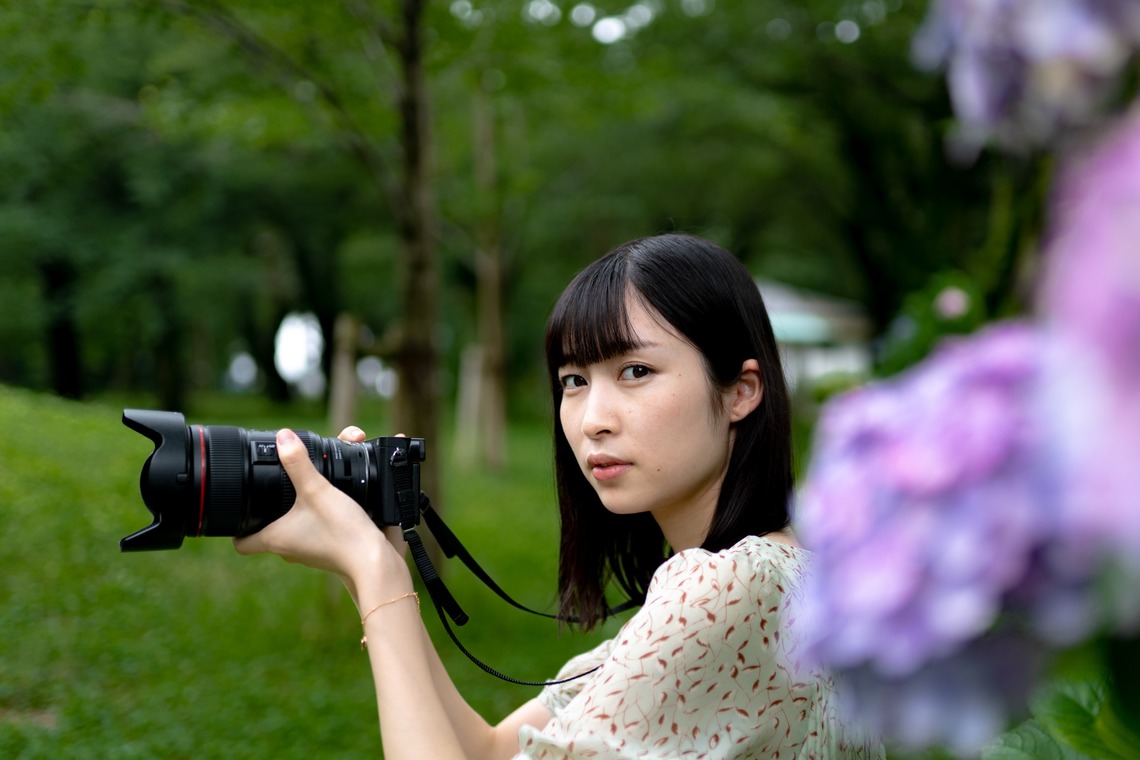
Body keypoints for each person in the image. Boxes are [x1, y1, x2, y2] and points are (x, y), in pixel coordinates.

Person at [234, 233, 881, 759]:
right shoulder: (784, 577)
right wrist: (376, 561)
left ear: (741, 390)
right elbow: (488, 752)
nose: (592, 417)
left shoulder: (726, 591)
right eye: (574, 379)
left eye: (636, 371)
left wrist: (375, 578)